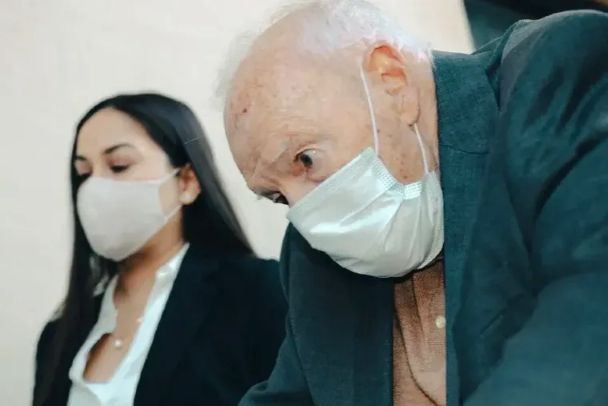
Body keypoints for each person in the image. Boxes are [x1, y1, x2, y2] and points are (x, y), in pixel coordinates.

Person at [220, 1, 608, 405]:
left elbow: (589, 316)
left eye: (305, 160)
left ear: (393, 82)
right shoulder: (309, 259)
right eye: (278, 197)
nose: (307, 221)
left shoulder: (558, 74)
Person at [33, 93, 286, 406]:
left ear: (187, 181)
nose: (95, 188)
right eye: (84, 173)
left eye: (119, 165)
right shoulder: (59, 335)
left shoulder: (256, 293)